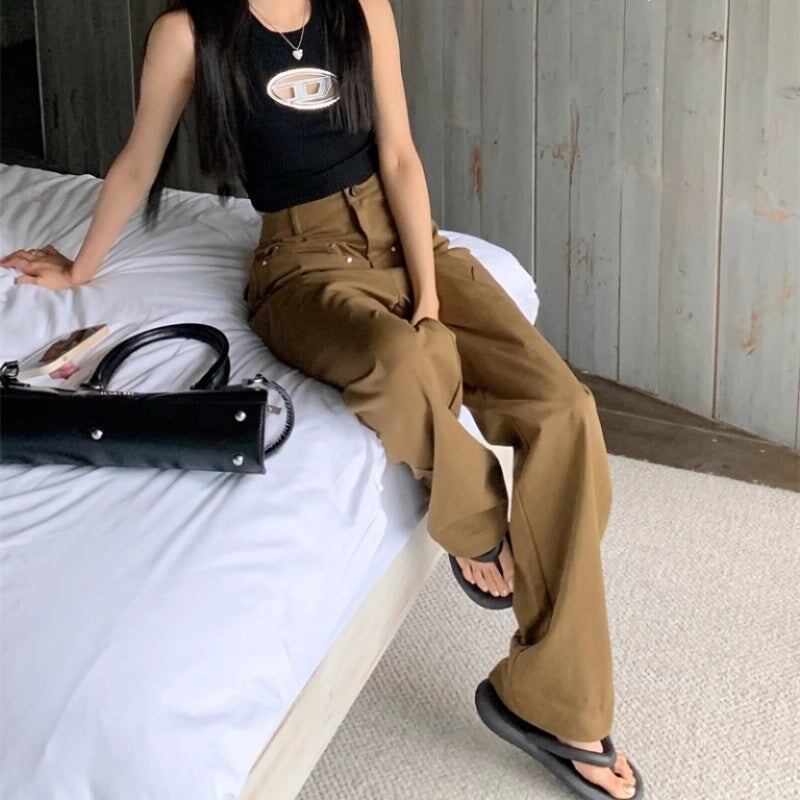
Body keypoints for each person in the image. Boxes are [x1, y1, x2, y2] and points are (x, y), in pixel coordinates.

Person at [0, 2, 643, 797]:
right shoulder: (190, 33)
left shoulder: (360, 8)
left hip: (403, 239)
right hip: (301, 267)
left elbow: (399, 157)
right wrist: (80, 268)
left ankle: (547, 696)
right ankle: (477, 528)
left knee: (565, 408)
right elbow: (137, 161)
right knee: (401, 360)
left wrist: (429, 293)